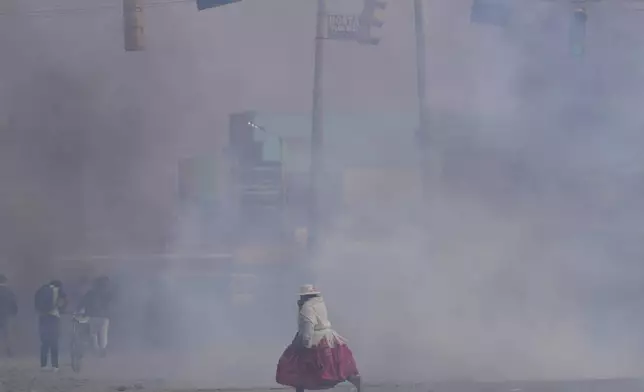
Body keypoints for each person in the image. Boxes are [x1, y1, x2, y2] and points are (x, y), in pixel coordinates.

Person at [276, 285, 361, 392]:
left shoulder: (307, 308)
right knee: (335, 366)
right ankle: (356, 383)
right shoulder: (319, 304)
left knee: (299, 367)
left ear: (305, 297)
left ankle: (300, 389)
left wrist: (305, 344)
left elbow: (308, 327)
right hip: (329, 338)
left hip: (315, 340)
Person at [34, 280, 67, 371]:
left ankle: (43, 365)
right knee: (54, 342)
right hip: (53, 317)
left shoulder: (41, 290)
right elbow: (62, 303)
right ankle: (55, 365)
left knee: (44, 342)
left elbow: (36, 304)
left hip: (43, 317)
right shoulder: (57, 290)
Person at [78, 276, 112, 357]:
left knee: (93, 334)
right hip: (104, 317)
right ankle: (102, 348)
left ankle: (96, 349)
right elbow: (110, 305)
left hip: (92, 316)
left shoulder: (90, 293)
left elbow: (82, 303)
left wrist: (79, 311)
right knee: (103, 333)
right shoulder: (107, 294)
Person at [0, 274, 18, 357]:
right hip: (6, 315)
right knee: (6, 334)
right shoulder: (9, 291)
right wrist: (14, 312)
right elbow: (13, 303)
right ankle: (8, 351)